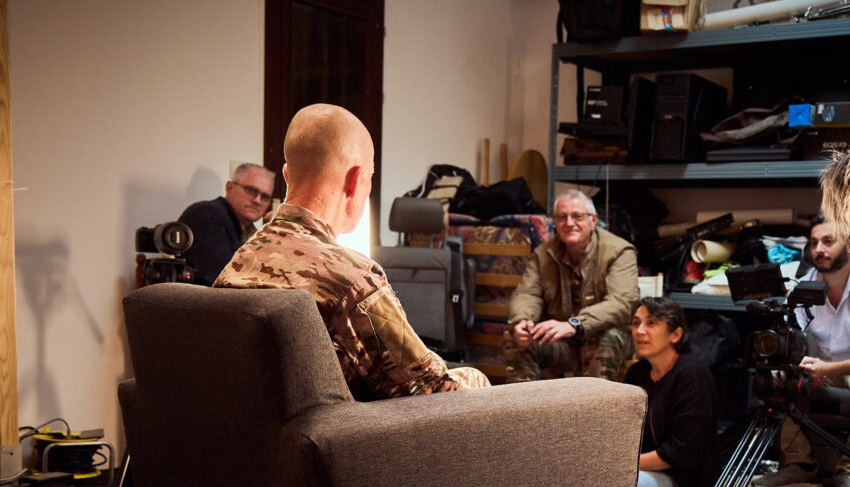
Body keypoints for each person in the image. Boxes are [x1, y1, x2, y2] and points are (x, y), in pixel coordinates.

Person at [214, 104, 489, 399]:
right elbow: (434, 395)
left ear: (286, 175)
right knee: (474, 378)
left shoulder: (240, 261)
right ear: (356, 180)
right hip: (352, 428)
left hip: (253, 426)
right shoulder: (353, 281)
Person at [753, 214, 850, 487]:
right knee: (773, 375)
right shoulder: (802, 285)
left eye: (828, 241)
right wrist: (802, 364)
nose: (819, 249)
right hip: (820, 365)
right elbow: (794, 340)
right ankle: (798, 463)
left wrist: (829, 369)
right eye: (814, 243)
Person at [504, 189, 639, 383]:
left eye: (577, 216)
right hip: (563, 343)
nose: (569, 223)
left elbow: (623, 302)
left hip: (606, 339)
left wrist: (575, 324)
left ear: (593, 220)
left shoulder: (619, 251)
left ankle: (594, 403)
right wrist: (523, 321)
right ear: (554, 222)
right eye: (562, 217)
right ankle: (526, 401)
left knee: (606, 338)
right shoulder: (543, 254)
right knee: (514, 335)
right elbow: (527, 294)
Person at [623, 297, 718, 487]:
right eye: (636, 323)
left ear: (675, 334)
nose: (640, 331)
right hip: (639, 469)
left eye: (651, 323)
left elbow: (684, 452)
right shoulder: (637, 373)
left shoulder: (693, 375)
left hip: (684, 483)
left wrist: (624, 464)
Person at [179, 162, 277, 286]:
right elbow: (222, 281)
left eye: (265, 197)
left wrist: (274, 236)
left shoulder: (251, 232)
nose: (257, 200)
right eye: (251, 190)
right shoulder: (207, 214)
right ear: (230, 188)